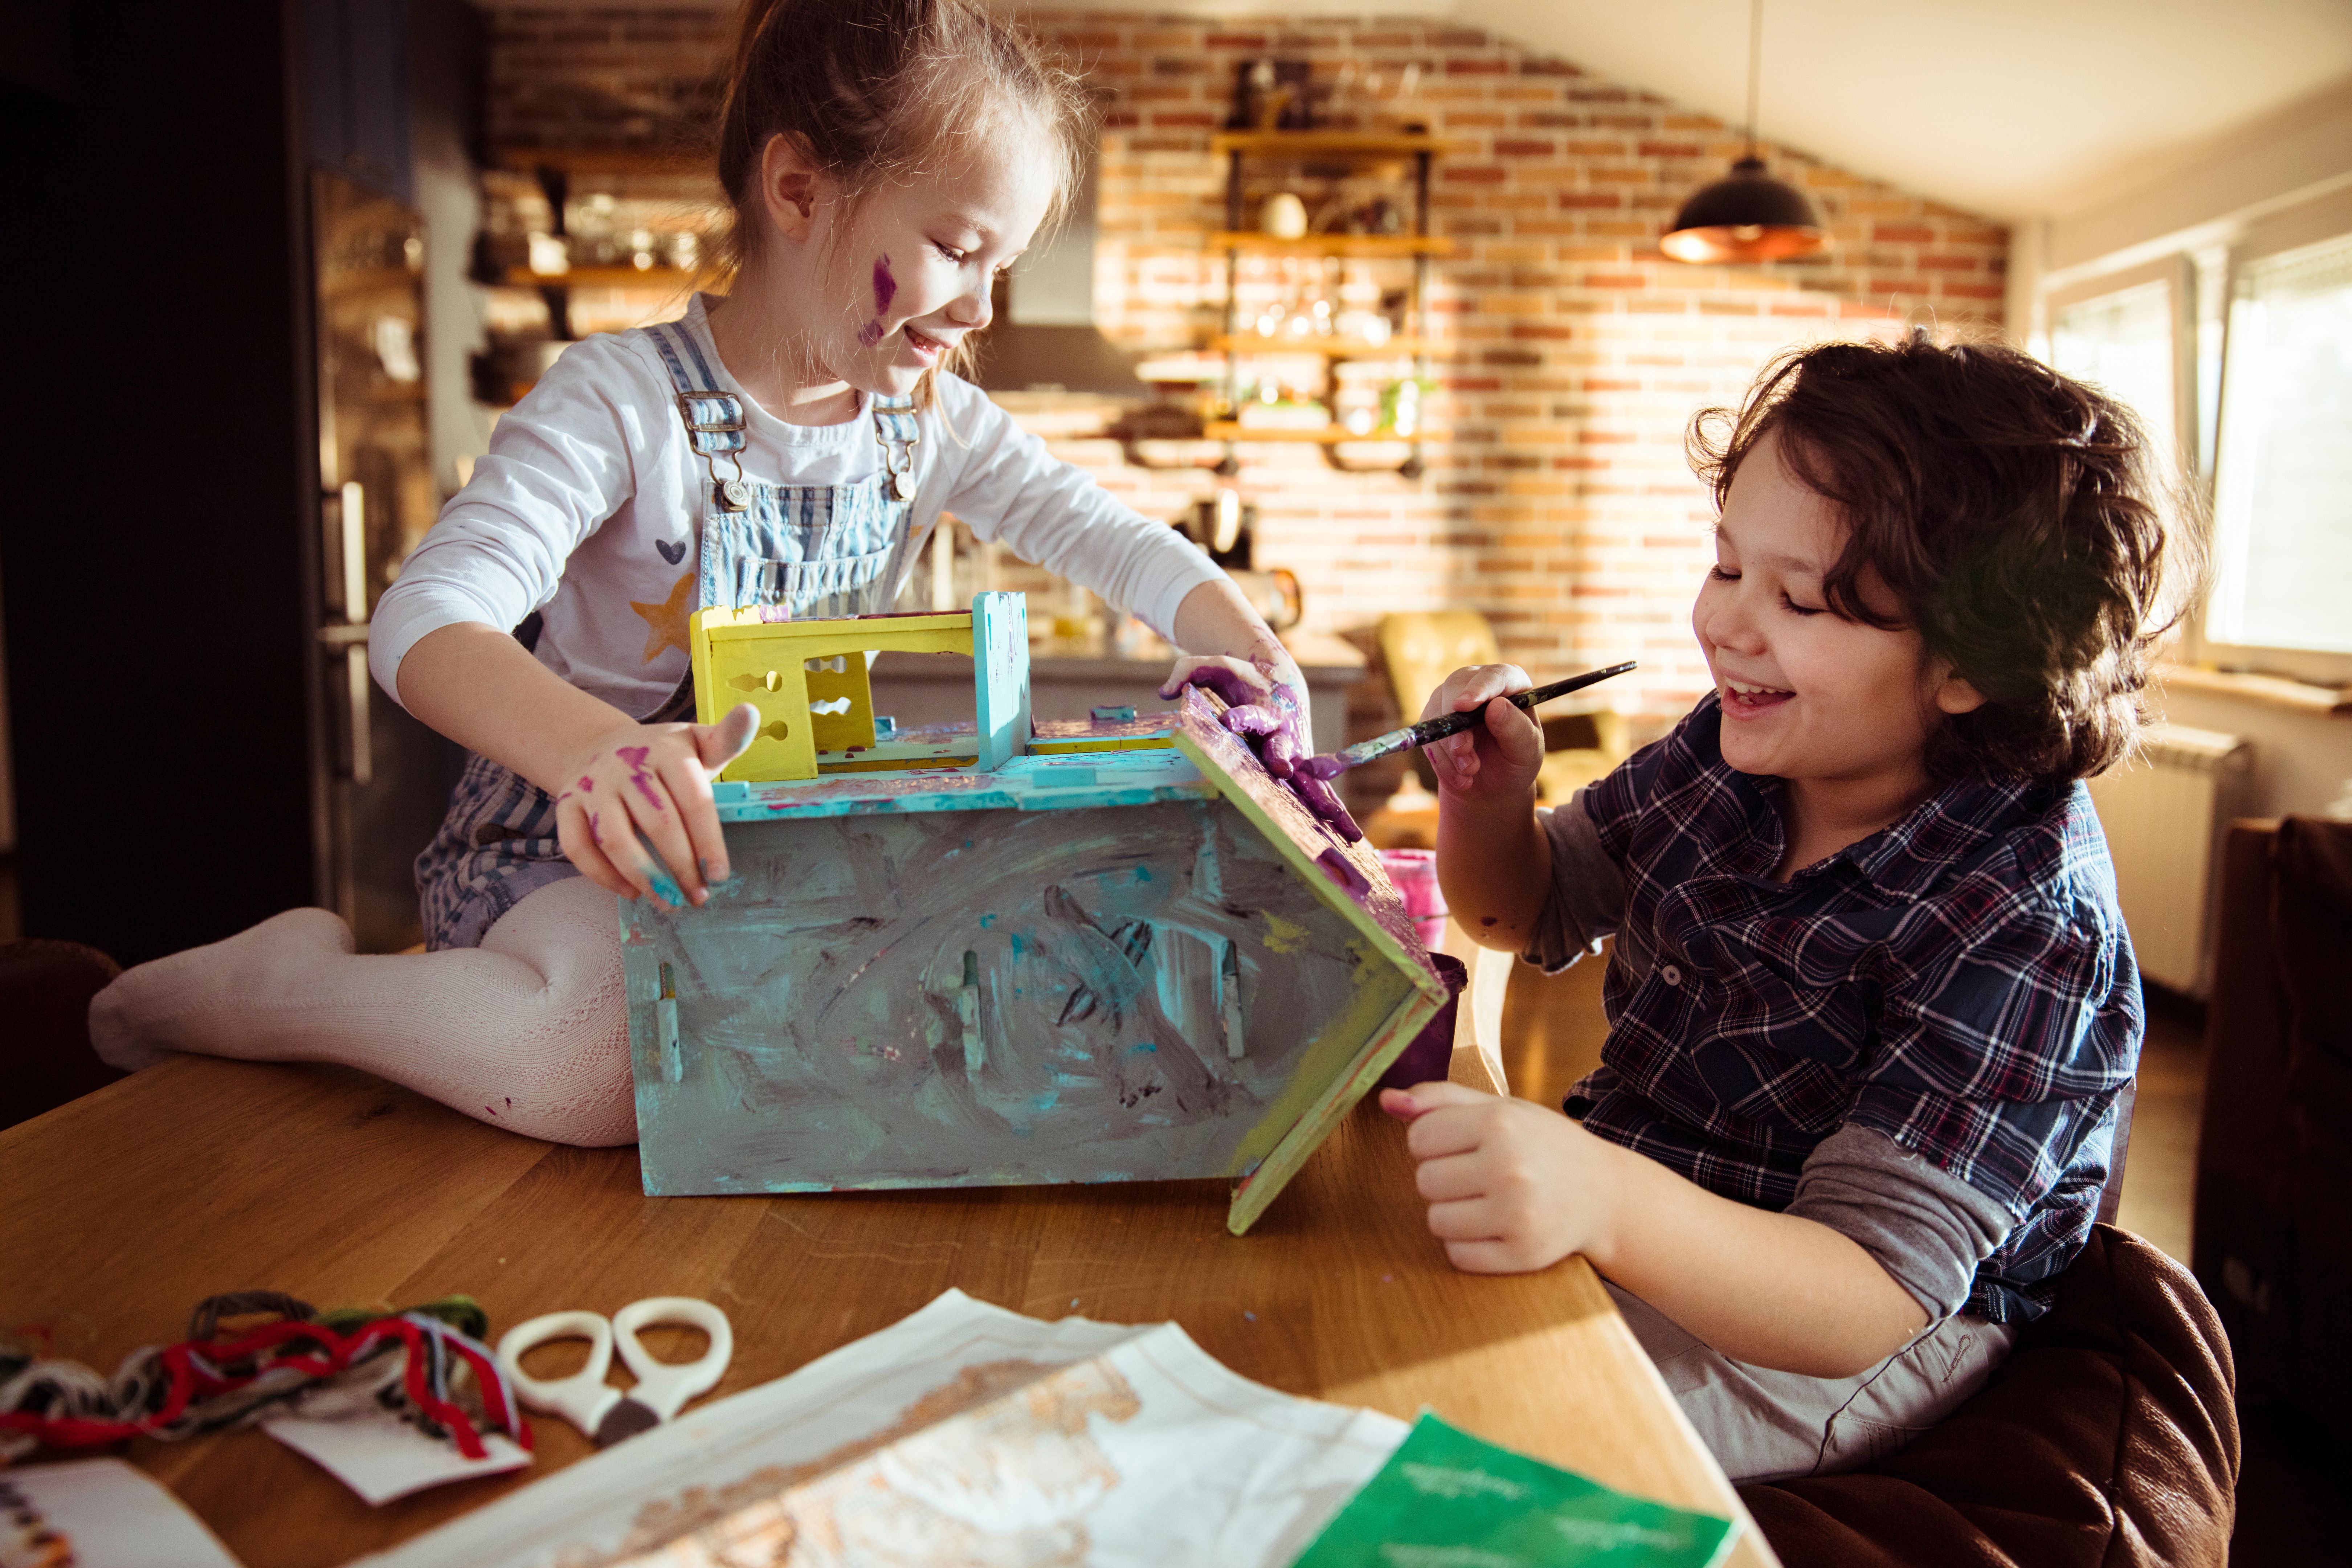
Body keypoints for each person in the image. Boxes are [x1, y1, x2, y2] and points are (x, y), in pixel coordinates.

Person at [90, 0, 1345, 1143]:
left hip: (771, 856)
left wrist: (1246, 646)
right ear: (799, 187)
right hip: (557, 858)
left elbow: (1114, 537)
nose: (979, 311)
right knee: (598, 1074)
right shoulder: (621, 403)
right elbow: (422, 619)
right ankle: (276, 989)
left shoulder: (930, 425)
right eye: (960, 248)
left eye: (1001, 269)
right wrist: (597, 754)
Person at [1382, 334, 2190, 1483]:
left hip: (1846, 1325)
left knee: (1498, 1446)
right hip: (1657, 1215)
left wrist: (1603, 1197)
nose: (1726, 626)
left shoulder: (2023, 912)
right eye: (1725, 568)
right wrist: (1491, 808)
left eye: (1800, 598)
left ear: (1976, 662)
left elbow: (1861, 1298)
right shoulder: (1726, 750)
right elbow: (1529, 914)